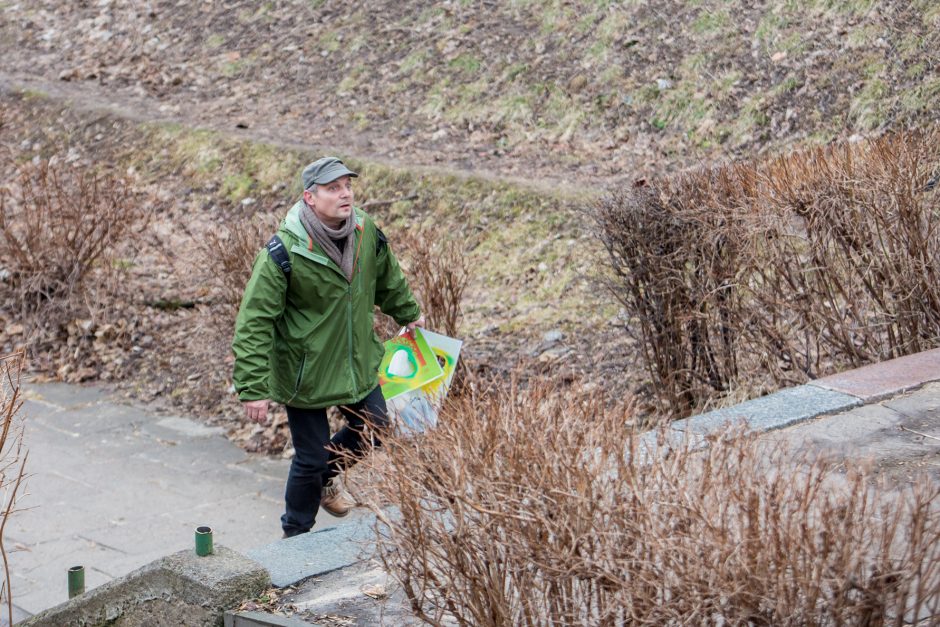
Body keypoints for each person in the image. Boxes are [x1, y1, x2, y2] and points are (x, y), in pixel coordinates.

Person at [232, 156, 424, 538]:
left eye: (347, 186)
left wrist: (409, 313)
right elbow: (254, 321)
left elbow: (387, 278)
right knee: (311, 457)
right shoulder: (283, 251)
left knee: (377, 427)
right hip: (306, 369)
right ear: (310, 197)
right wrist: (253, 388)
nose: (345, 193)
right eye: (333, 188)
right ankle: (294, 534)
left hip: (356, 359)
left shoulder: (366, 230)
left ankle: (326, 478)